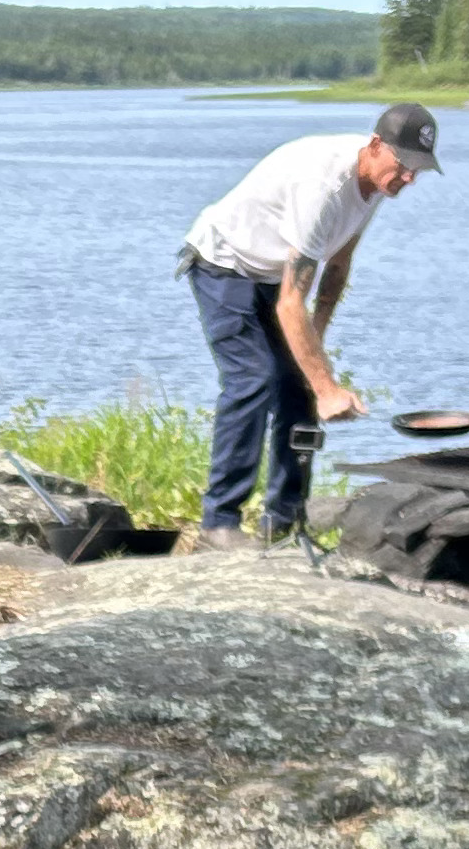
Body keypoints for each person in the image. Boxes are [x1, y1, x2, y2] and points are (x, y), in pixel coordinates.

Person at [177, 102, 439, 543]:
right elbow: (289, 303)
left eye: (419, 169)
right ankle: (218, 523)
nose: (409, 178)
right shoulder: (324, 183)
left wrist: (315, 343)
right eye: (404, 165)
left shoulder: (374, 186)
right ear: (376, 146)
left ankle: (284, 520)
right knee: (254, 379)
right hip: (224, 263)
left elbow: (338, 265)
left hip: (271, 273)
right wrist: (327, 387)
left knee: (297, 384)